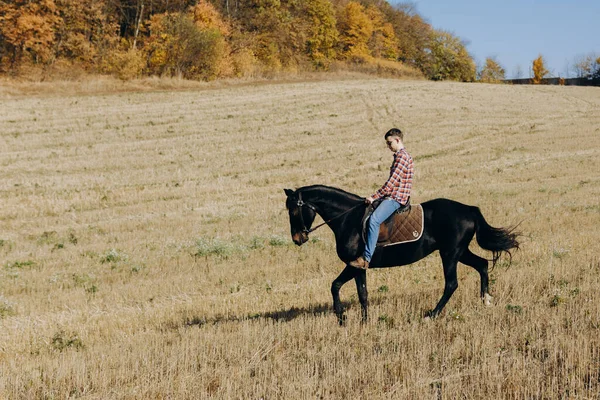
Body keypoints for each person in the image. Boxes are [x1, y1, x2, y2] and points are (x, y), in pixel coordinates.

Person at [349, 128, 414, 269]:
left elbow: (391, 183)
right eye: (387, 144)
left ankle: (366, 258)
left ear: (398, 140)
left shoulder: (402, 157)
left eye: (390, 143)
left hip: (396, 199)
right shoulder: (400, 156)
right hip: (393, 196)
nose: (388, 146)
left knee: (373, 221)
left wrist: (374, 196)